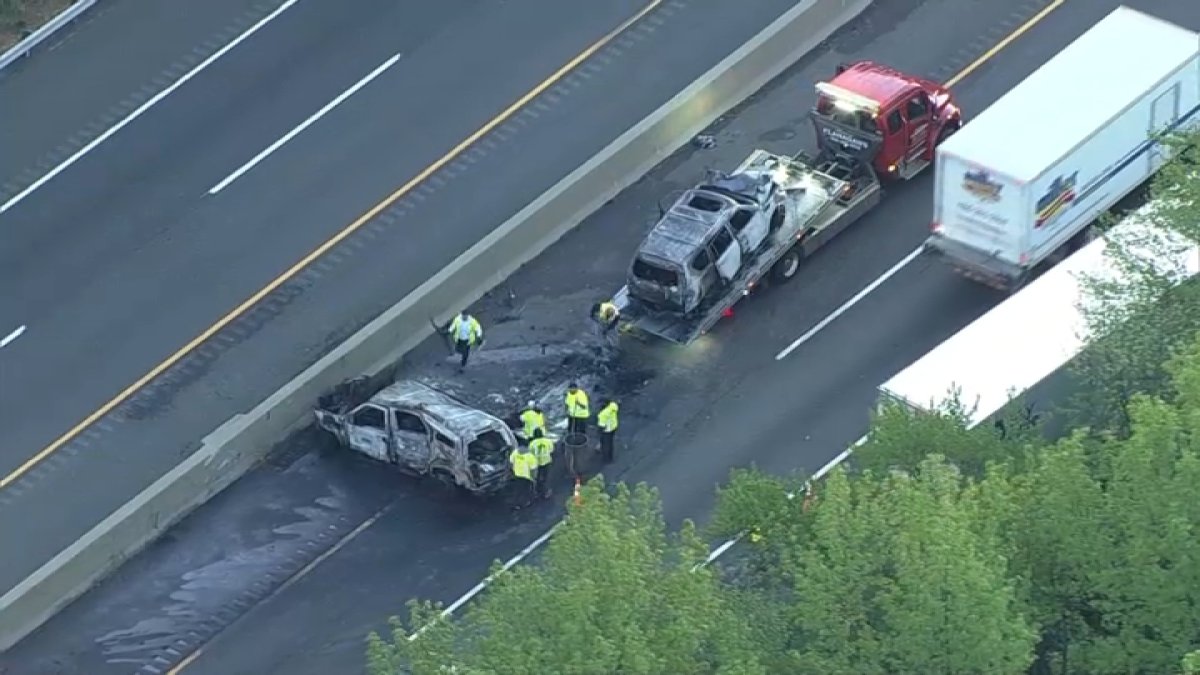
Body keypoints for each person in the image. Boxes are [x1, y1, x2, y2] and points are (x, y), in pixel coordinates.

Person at [508, 442, 539, 506]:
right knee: (526, 490)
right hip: (527, 476)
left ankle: (515, 503)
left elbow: (511, 462)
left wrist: (512, 470)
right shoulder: (530, 456)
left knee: (518, 489)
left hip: (517, 474)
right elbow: (533, 469)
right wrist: (534, 477)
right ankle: (525, 502)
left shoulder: (515, 452)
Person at [528, 428, 555, 499]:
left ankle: (536, 491)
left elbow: (530, 454)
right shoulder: (548, 441)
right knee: (545, 477)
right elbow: (551, 450)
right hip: (546, 461)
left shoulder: (532, 443)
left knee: (537, 477)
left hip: (537, 463)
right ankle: (545, 492)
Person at [596, 398, 619, 463]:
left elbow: (602, 426)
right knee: (610, 443)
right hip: (613, 426)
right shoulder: (613, 405)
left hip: (607, 430)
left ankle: (607, 459)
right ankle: (610, 457)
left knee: (606, 445)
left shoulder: (603, 414)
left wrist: (598, 432)